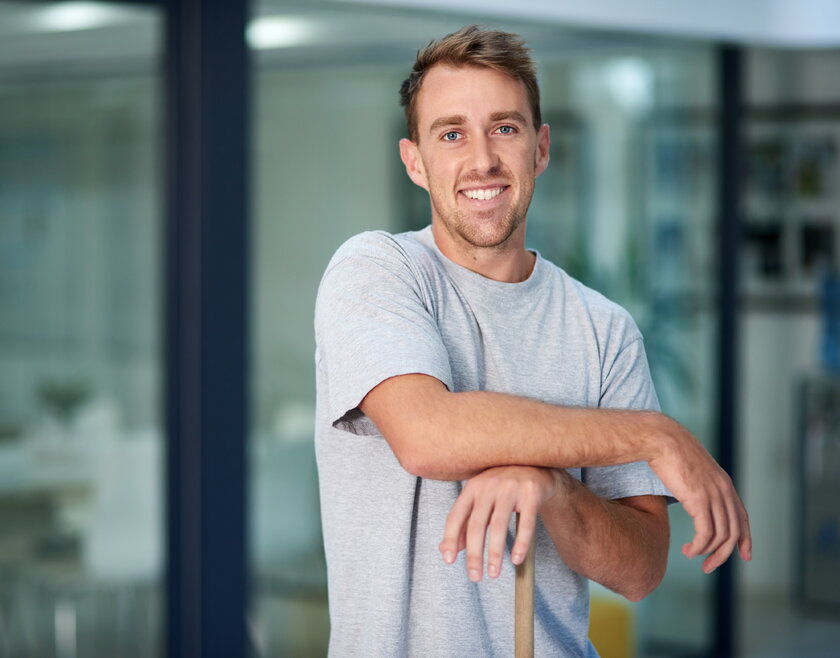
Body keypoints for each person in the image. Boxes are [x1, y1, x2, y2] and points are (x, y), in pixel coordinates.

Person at [314, 25, 751, 656]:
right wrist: (658, 435)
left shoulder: (603, 328)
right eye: (452, 133)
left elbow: (640, 569)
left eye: (506, 128)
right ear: (415, 161)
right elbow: (426, 435)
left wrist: (551, 488)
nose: (482, 159)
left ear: (540, 149)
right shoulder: (376, 271)